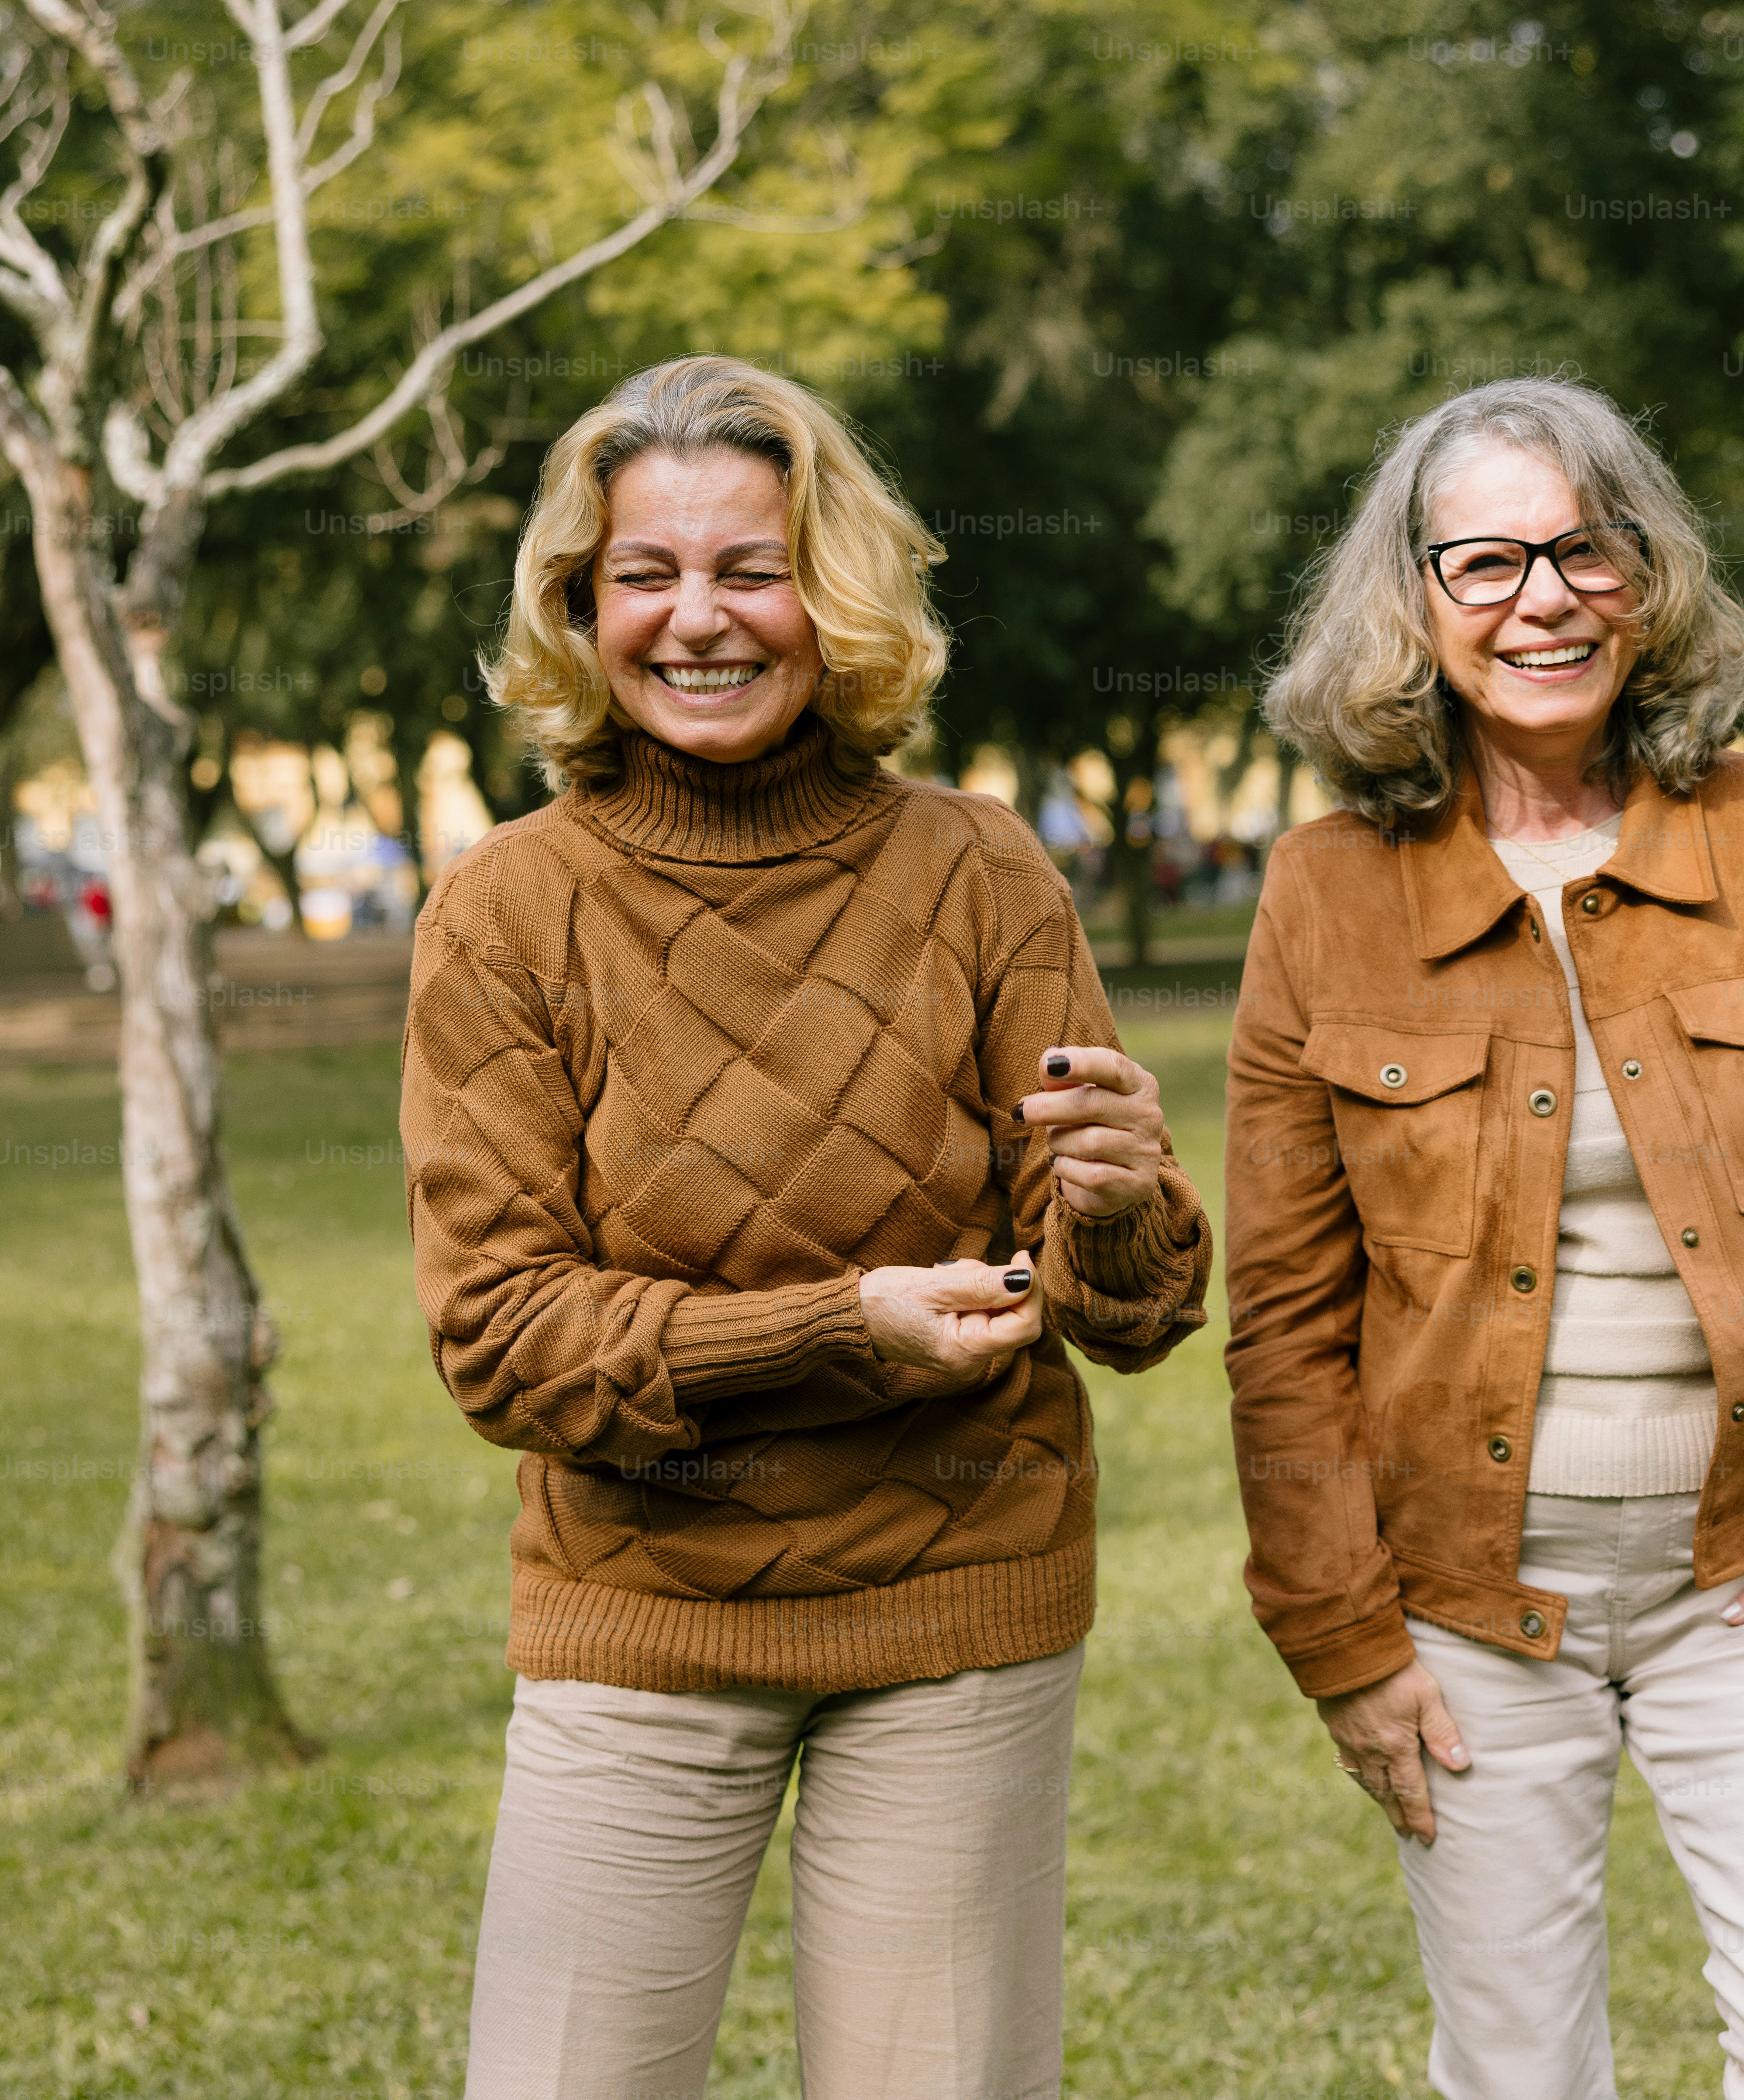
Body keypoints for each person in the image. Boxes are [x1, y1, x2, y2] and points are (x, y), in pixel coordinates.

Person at [402, 354, 1213, 2100]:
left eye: (749, 569)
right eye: (646, 575)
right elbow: (500, 1335)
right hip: (642, 1612)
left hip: (954, 1604)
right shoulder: (505, 909)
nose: (700, 619)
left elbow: (1119, 1313)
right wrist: (842, 1329)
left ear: (829, 594)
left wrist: (1126, 1208)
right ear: (580, 603)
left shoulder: (978, 869)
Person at [1221, 374, 1744, 2100]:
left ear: (1647, 574)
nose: (1540, 599)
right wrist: (1341, 1638)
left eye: (1583, 549)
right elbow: (1278, 1314)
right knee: (1517, 2074)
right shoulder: (1323, 889)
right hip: (1466, 1596)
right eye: (1482, 562)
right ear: (1409, 599)